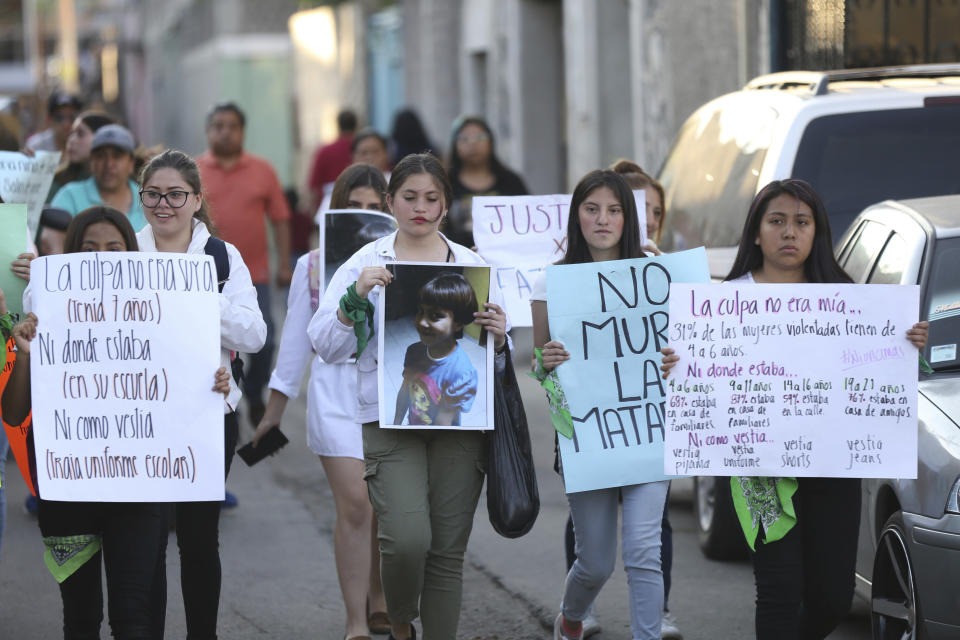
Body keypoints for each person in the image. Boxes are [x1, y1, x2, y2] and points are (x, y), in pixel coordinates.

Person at [660, 179, 929, 640]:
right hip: (759, 475)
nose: (789, 232)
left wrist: (909, 347)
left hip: (833, 472)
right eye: (777, 221)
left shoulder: (850, 302)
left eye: (801, 223)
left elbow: (885, 376)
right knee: (779, 591)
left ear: (816, 232)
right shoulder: (722, 305)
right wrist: (678, 364)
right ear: (757, 233)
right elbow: (698, 380)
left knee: (832, 599)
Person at [2, 206, 232, 638]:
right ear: (71, 258)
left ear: (132, 254)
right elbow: (14, 414)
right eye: (89, 250)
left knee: (134, 618)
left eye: (114, 248)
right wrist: (27, 356)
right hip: (66, 487)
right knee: (81, 616)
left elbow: (184, 384)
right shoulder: (44, 309)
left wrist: (213, 382)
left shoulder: (166, 314)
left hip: (140, 486)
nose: (102, 258)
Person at [309, 153, 509, 640]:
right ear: (391, 202)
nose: (420, 208)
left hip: (461, 425)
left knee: (446, 550)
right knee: (405, 539)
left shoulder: (473, 265)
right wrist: (355, 298)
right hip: (388, 419)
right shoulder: (365, 261)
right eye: (409, 197)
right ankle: (399, 619)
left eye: (432, 198)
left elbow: (495, 359)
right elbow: (326, 345)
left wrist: (500, 337)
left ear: (446, 204)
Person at [252, 163, 391, 640]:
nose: (366, 216)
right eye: (356, 207)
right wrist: (273, 412)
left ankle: (380, 595)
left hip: (390, 396)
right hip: (333, 396)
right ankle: (356, 622)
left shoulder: (403, 261)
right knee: (356, 504)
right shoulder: (313, 266)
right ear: (336, 210)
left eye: (376, 208)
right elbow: (294, 344)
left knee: (383, 504)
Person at [532, 169, 669, 640]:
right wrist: (544, 363)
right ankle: (571, 618)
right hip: (586, 436)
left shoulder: (657, 275)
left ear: (628, 218)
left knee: (644, 551)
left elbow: (685, 349)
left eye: (614, 210)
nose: (603, 219)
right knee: (594, 563)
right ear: (576, 217)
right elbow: (542, 370)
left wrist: (675, 359)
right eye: (592, 209)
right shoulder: (551, 282)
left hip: (649, 429)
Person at [138, 148, 267, 639]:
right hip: (142, 419)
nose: (164, 204)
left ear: (196, 199)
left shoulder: (220, 257)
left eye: (176, 194)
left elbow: (253, 335)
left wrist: (196, 295)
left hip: (207, 414)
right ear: (141, 196)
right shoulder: (124, 251)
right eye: (153, 194)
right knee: (145, 539)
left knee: (197, 540)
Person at [610, 158, 681, 640]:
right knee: (591, 527)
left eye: (654, 209)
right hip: (599, 420)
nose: (647, 218)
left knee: (652, 533)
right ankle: (582, 606)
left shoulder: (669, 270)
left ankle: (655, 618)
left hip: (651, 419)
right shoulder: (579, 268)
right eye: (636, 208)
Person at [197, 102, 291, 428]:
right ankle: (223, 403)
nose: (225, 132)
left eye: (232, 126)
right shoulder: (194, 172)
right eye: (218, 125)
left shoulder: (263, 170)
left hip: (256, 272)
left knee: (264, 339)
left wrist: (284, 264)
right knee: (214, 344)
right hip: (204, 277)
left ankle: (253, 392)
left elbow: (280, 219)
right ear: (209, 131)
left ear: (242, 131)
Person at [394, 273, 479, 427]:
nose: (422, 322)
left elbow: (444, 421)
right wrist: (396, 425)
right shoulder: (414, 351)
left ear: (458, 323)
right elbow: (405, 390)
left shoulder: (461, 373)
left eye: (435, 316)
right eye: (420, 311)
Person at [445, 116, 528, 248]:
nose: (473, 143)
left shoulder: (510, 181)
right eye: (464, 138)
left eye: (480, 137)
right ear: (455, 145)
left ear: (491, 142)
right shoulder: (445, 183)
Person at [50, 124, 147, 231]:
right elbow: (50, 236)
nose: (109, 164)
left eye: (117, 156)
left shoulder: (148, 200)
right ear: (91, 161)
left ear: (131, 163)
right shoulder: (70, 195)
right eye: (100, 156)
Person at [47, 111, 115, 200]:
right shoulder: (58, 181)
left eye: (80, 134)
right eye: (71, 134)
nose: (71, 140)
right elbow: (24, 212)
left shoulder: (126, 184)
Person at [610, 159, 666, 253]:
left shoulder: (668, 261)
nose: (651, 222)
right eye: (642, 209)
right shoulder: (584, 261)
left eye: (657, 213)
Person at [309, 108, 358, 210]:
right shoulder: (363, 150)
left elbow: (314, 187)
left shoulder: (324, 151)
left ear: (338, 125)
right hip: (359, 208)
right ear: (356, 125)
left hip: (329, 208)